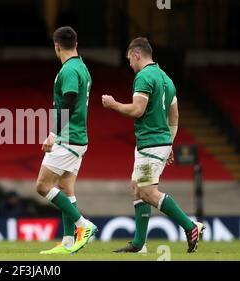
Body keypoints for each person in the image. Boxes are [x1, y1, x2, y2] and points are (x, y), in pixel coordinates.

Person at [101, 37, 205, 253]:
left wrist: (113, 104)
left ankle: (190, 226)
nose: (129, 63)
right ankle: (139, 244)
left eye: (129, 58)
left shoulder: (144, 77)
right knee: (137, 187)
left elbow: (137, 110)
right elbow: (174, 117)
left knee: (147, 192)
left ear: (137, 54)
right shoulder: (166, 79)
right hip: (154, 144)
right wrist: (169, 143)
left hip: (151, 144)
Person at [36, 26, 97, 255]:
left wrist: (53, 133)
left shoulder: (70, 70)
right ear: (76, 44)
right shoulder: (82, 67)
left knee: (42, 186)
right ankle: (69, 242)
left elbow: (70, 102)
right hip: (79, 137)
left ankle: (84, 225)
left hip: (68, 137)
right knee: (65, 188)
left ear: (56, 46)